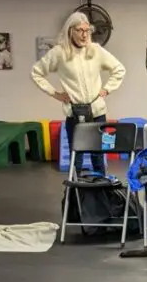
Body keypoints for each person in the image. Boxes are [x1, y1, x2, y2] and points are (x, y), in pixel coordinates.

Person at [31, 12, 125, 175]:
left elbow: (119, 69)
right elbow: (36, 72)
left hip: (97, 111)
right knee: (78, 156)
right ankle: (77, 193)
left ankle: (100, 191)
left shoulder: (95, 50)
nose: (84, 35)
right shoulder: (59, 53)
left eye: (87, 30)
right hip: (74, 112)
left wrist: (107, 89)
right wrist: (55, 94)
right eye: (80, 30)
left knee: (98, 154)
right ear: (70, 31)